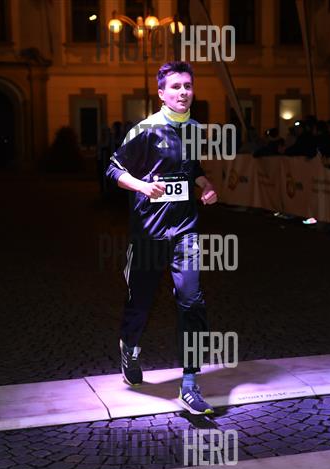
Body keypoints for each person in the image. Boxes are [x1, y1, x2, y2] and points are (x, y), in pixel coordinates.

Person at [105, 61, 218, 415]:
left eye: (188, 86)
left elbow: (192, 167)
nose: (183, 92)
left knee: (192, 300)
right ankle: (129, 346)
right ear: (161, 93)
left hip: (185, 229)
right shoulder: (145, 130)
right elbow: (112, 169)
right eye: (176, 87)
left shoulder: (196, 128)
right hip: (149, 231)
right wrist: (141, 186)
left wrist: (205, 184)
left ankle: (190, 383)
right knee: (140, 302)